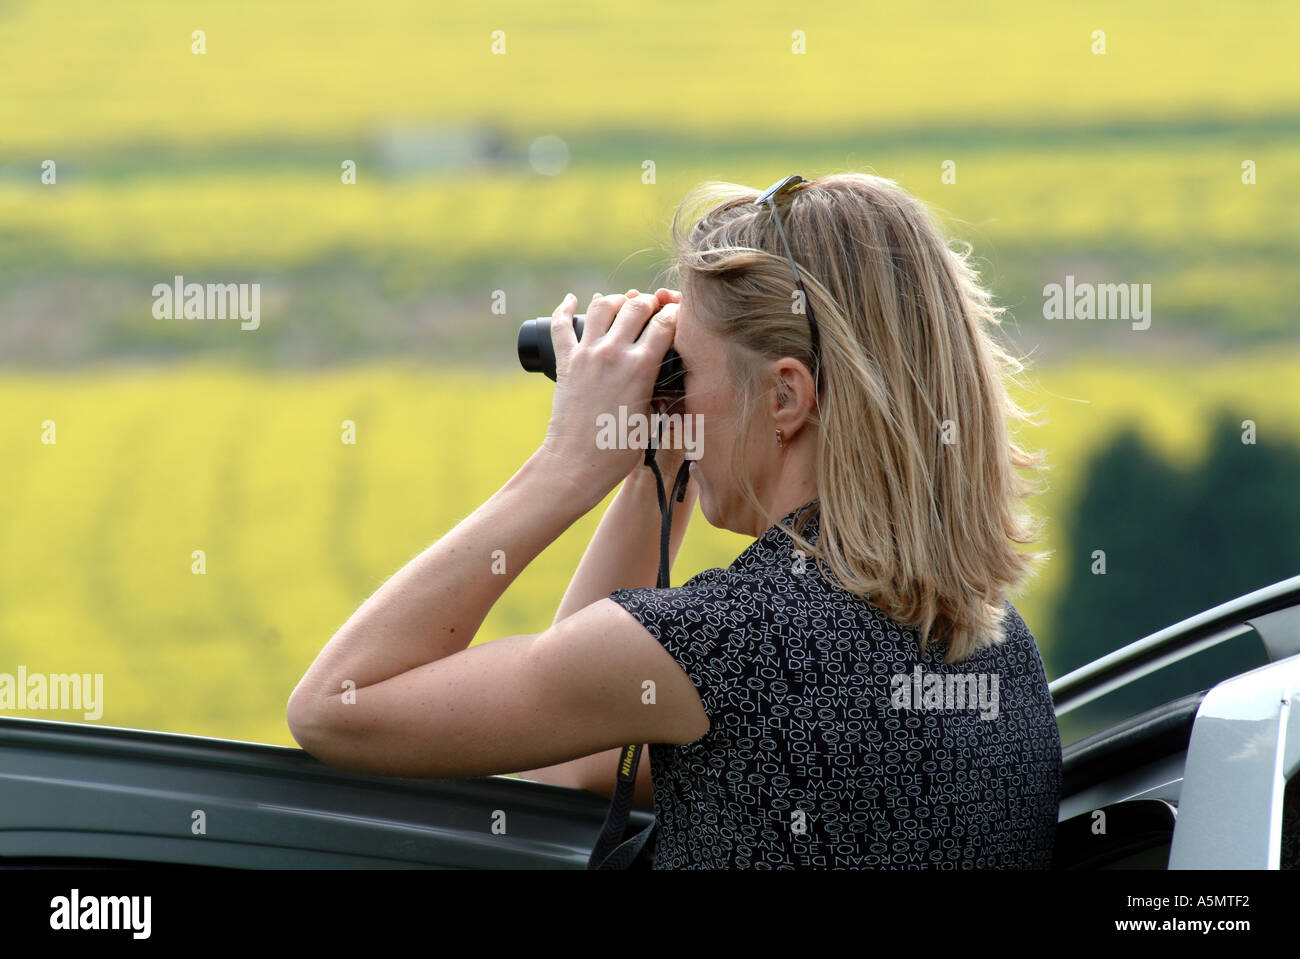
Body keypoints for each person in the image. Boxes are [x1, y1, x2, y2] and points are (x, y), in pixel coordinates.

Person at [287, 172, 1062, 869]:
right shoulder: (997, 649)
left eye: (681, 371)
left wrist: (568, 463)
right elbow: (582, 757)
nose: (673, 398)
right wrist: (659, 465)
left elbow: (336, 707)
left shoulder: (724, 645)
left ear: (786, 397)